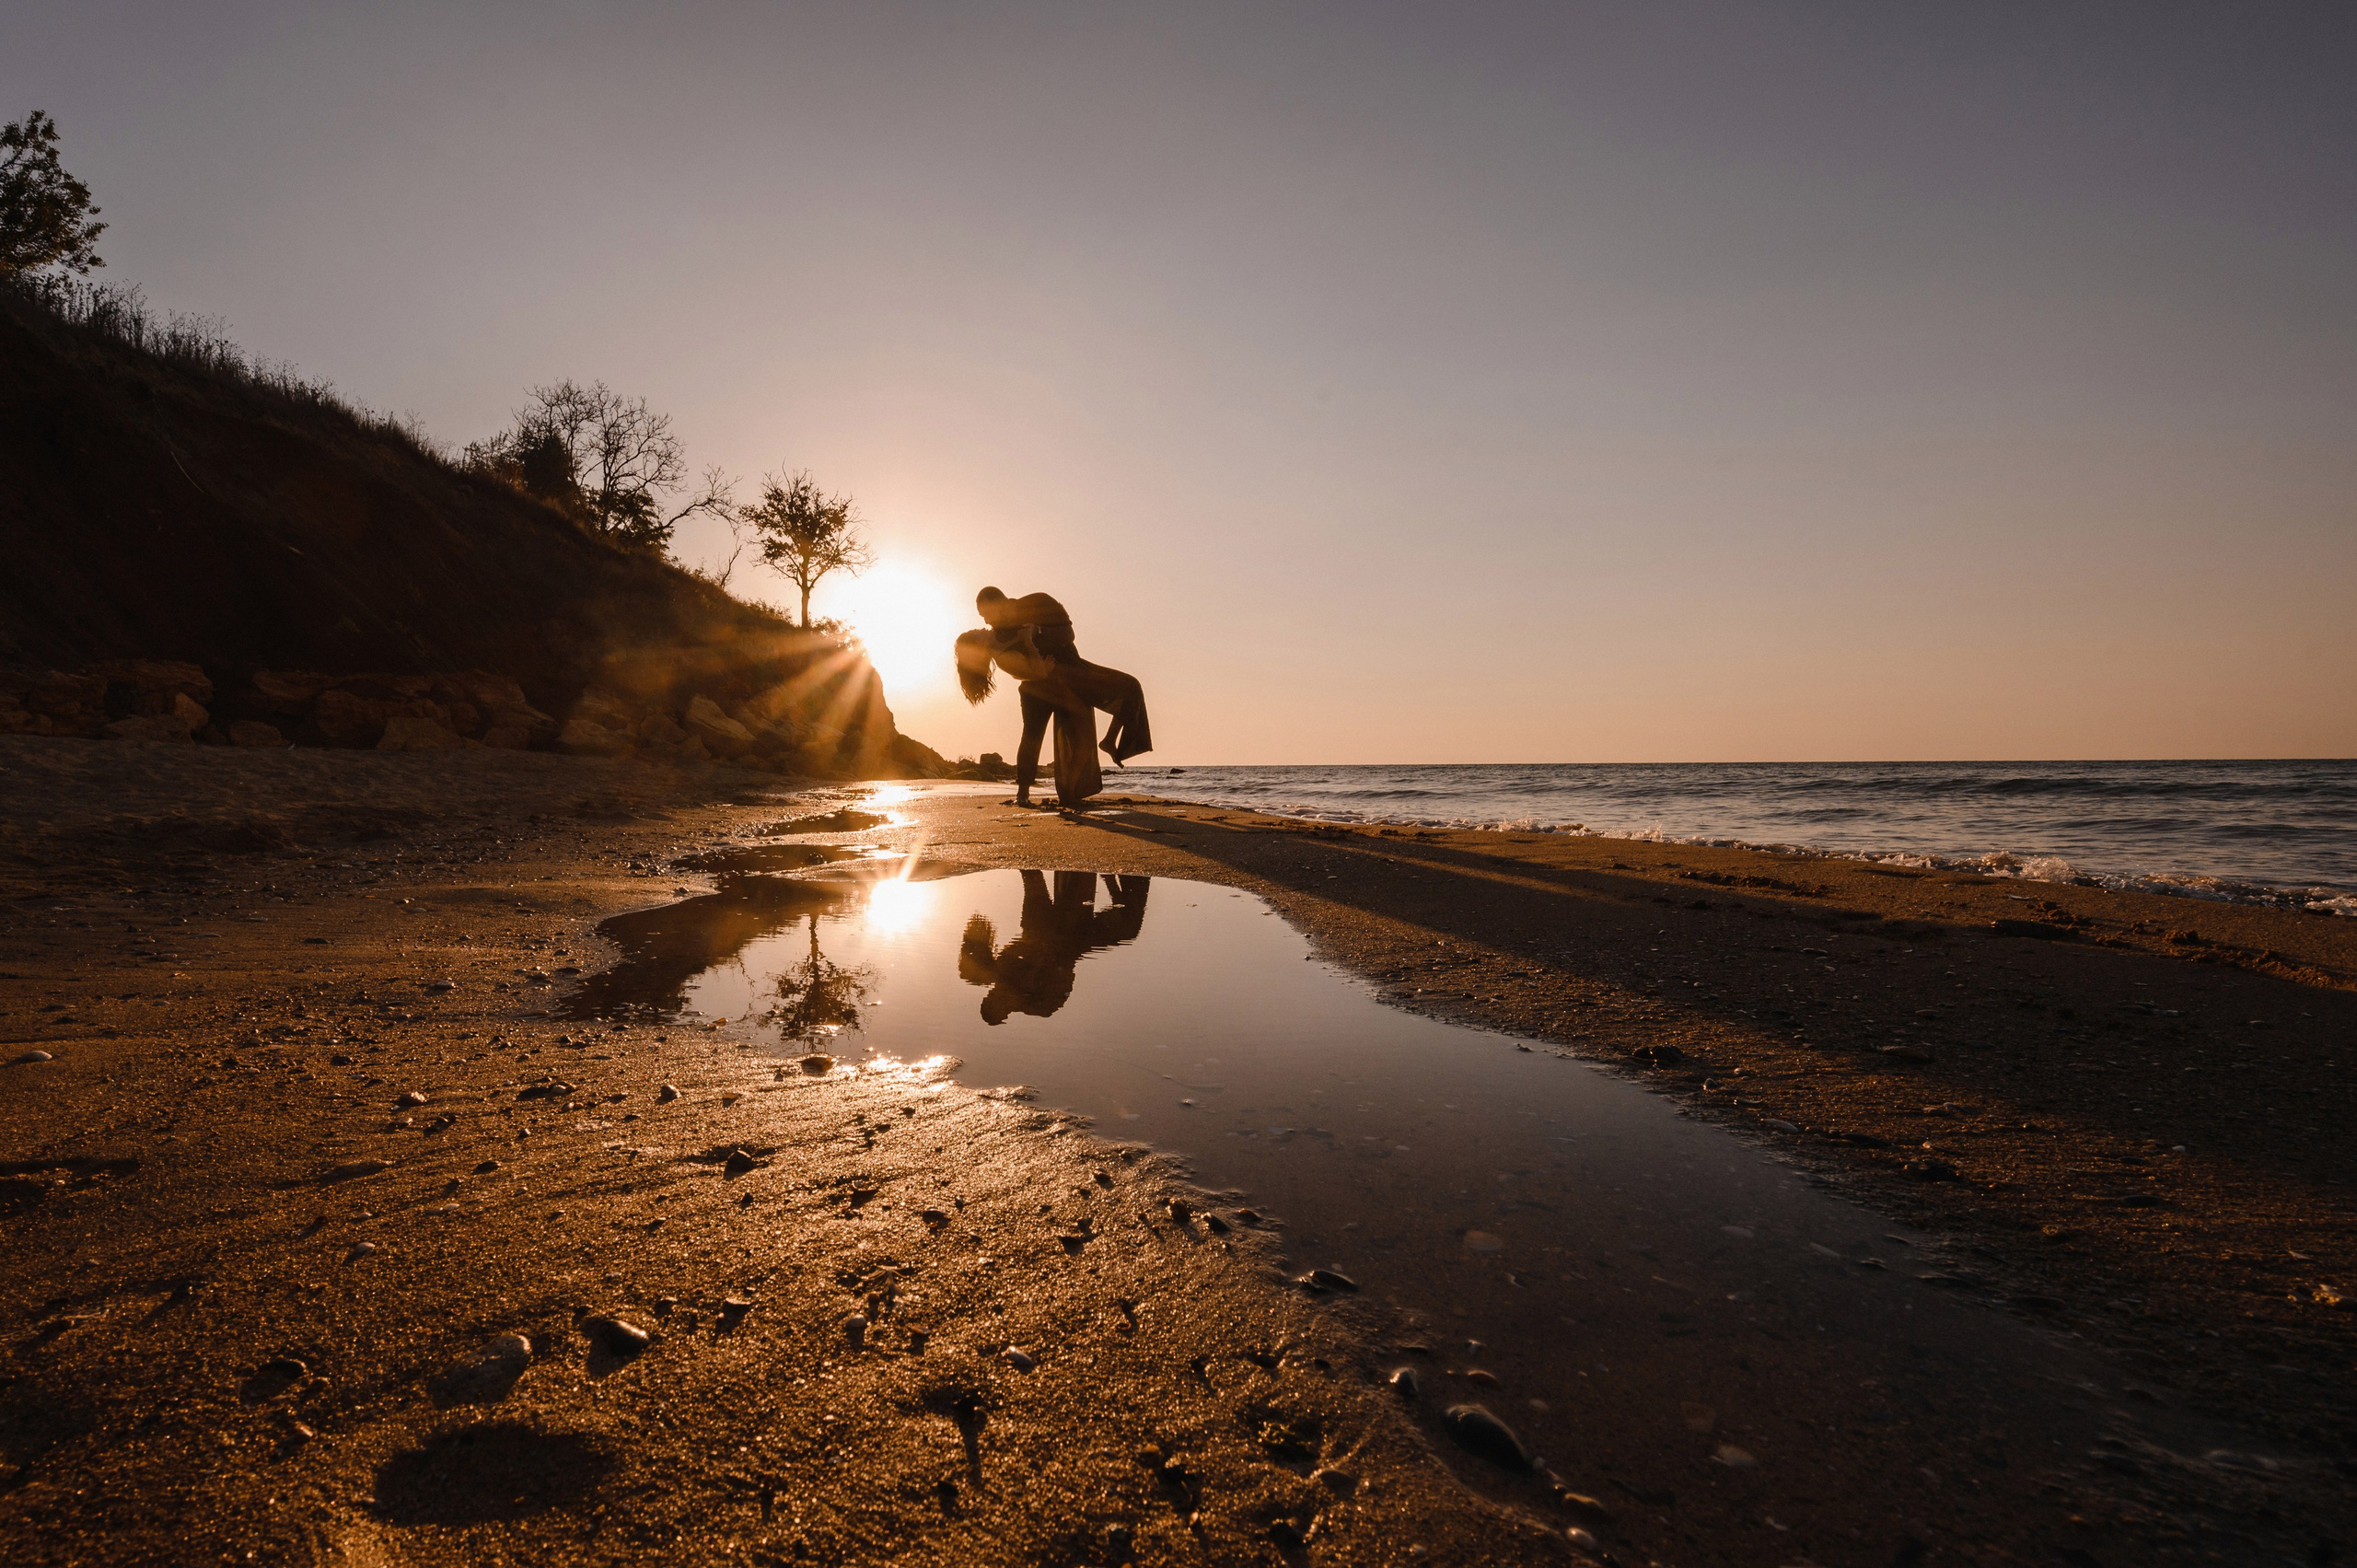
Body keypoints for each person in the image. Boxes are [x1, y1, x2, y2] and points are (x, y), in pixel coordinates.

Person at [954, 587, 1151, 807]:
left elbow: (1068, 635)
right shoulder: (997, 638)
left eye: (987, 614)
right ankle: (1023, 793)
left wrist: (1037, 631)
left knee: (1124, 693)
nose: (987, 621)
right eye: (983, 618)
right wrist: (1034, 658)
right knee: (1032, 738)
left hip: (1070, 678)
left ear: (999, 604)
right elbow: (1019, 669)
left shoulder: (1037, 603)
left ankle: (1083, 774)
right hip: (1036, 689)